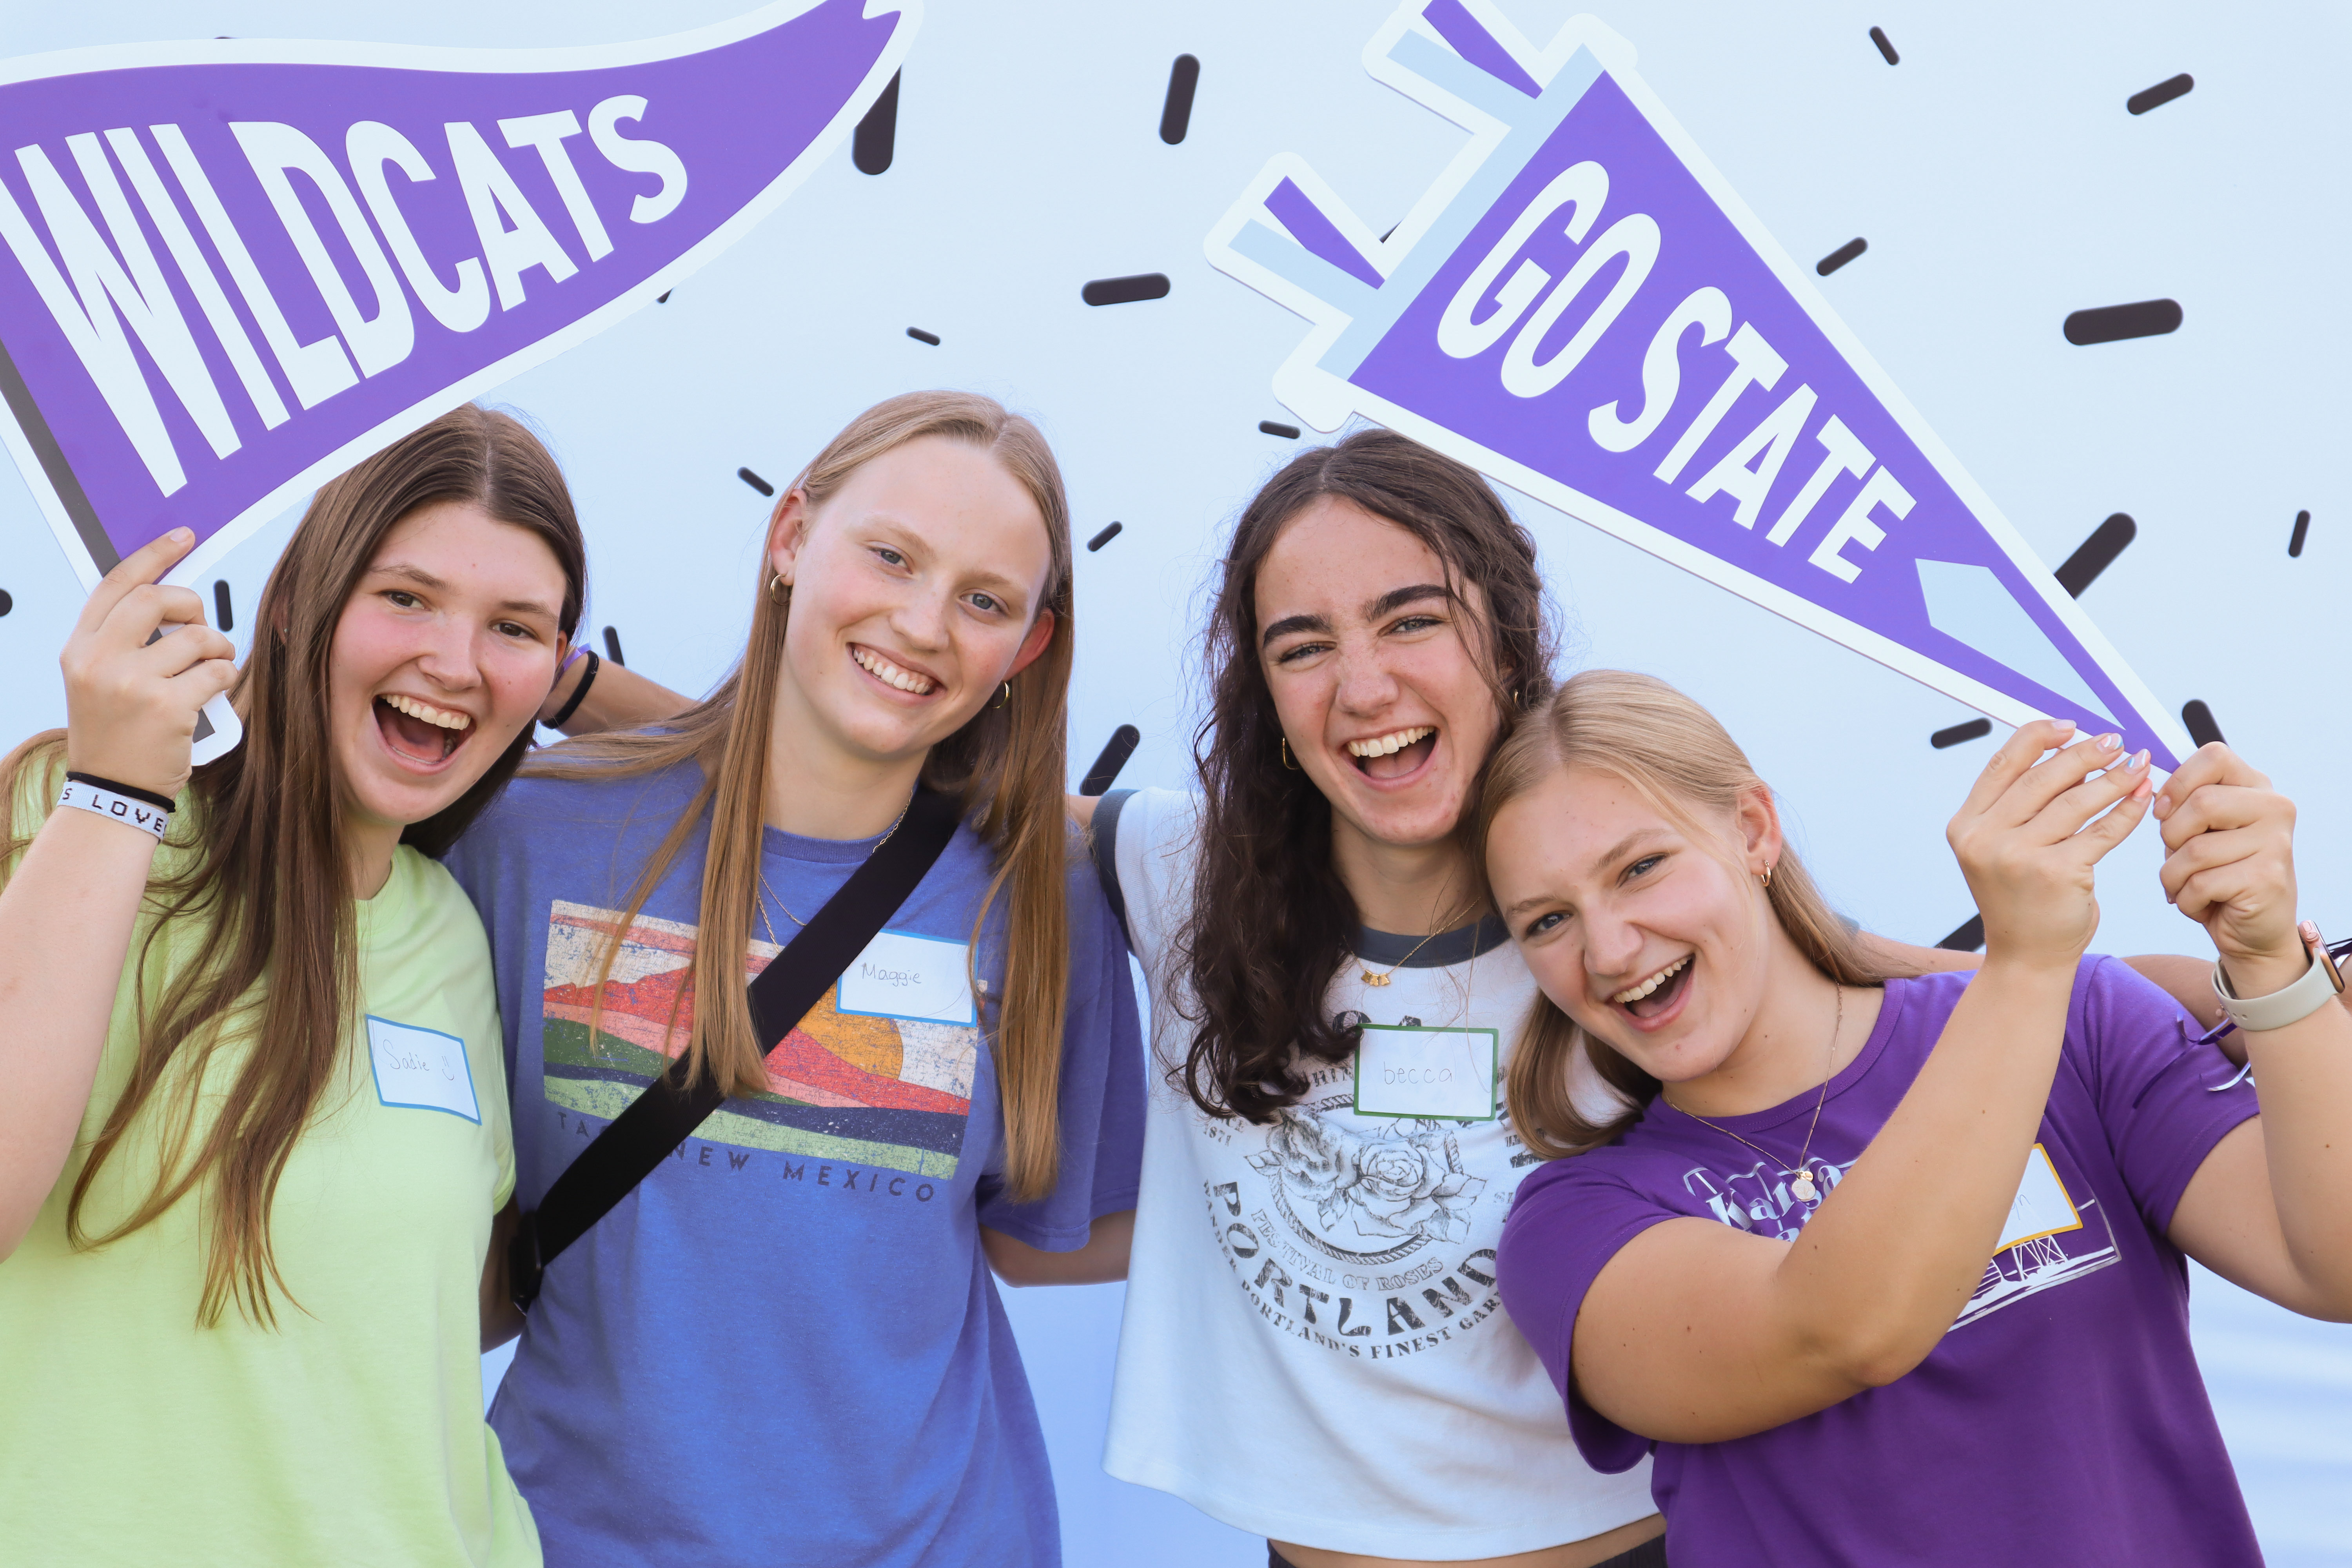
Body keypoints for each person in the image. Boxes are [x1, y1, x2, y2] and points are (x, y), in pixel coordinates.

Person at [442, 390, 1144, 1566]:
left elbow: (1039, 1235)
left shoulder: (1046, 900)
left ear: (1026, 647)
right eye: (891, 555)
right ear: (790, 540)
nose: (924, 623)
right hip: (567, 1537)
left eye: (984, 601)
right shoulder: (522, 837)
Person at [1484, 670, 2352, 1567]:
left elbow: (2336, 1266)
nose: (1609, 948)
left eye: (1640, 867)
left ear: (1753, 829)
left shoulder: (2084, 1018)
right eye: (1548, 920)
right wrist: (2021, 966)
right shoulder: (1575, 1226)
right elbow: (1846, 1328)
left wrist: (2268, 960)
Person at [0, 405, 585, 1564]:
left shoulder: (458, 931)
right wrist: (119, 792)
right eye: (405, 598)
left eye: (515, 626)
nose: (456, 663)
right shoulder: (75, 814)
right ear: (302, 603)